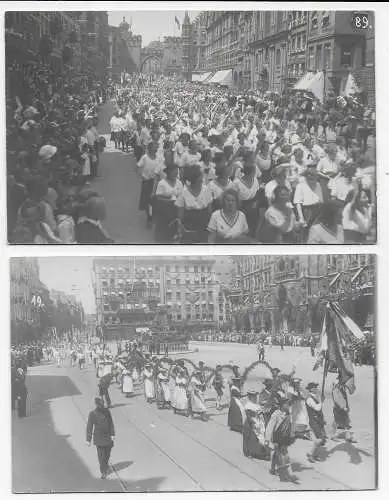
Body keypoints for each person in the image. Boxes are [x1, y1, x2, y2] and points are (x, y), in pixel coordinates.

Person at [265, 393, 297, 482]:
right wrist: (267, 440)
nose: (288, 406)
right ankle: (287, 475)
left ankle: (272, 469)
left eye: (288, 404)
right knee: (284, 455)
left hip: (284, 438)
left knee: (277, 453)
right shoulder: (276, 414)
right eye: (286, 404)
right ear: (282, 405)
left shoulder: (288, 414)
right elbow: (269, 427)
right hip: (276, 438)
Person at [175, 164, 212, 243]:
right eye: (200, 177)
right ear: (194, 178)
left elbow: (209, 210)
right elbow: (180, 213)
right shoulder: (184, 191)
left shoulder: (206, 189)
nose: (202, 179)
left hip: (203, 222)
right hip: (189, 223)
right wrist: (179, 228)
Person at [86, 396, 115, 480]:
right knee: (101, 456)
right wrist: (88, 439)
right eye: (99, 404)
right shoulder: (92, 414)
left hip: (108, 437)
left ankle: (105, 466)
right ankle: (103, 471)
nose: (101, 406)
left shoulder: (107, 411)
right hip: (99, 438)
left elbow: (111, 423)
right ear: (96, 404)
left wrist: (112, 434)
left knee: (107, 455)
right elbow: (89, 427)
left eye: (102, 404)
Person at [153, 163, 183, 242]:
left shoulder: (179, 183)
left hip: (176, 209)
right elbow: (158, 198)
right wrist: (168, 200)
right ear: (168, 173)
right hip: (165, 210)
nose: (175, 174)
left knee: (175, 230)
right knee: (165, 233)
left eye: (177, 173)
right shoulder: (161, 183)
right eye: (174, 172)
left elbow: (182, 196)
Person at [242, 390, 270, 460]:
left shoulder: (257, 405)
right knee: (252, 437)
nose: (255, 398)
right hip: (251, 423)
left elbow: (260, 413)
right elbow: (248, 416)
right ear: (250, 397)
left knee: (261, 436)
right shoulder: (248, 405)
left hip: (258, 421)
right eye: (253, 397)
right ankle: (251, 452)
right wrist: (253, 423)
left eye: (255, 396)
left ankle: (262, 452)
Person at [305, 382, 327, 462]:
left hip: (318, 420)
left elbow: (319, 410)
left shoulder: (314, 397)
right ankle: (311, 454)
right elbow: (317, 408)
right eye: (314, 387)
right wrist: (321, 401)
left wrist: (323, 419)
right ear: (311, 389)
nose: (316, 388)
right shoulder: (309, 399)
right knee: (320, 439)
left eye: (316, 387)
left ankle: (315, 454)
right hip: (314, 421)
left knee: (322, 438)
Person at [331, 375, 356, 443]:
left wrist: (347, 407)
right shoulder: (336, 389)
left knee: (345, 422)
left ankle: (348, 437)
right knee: (337, 422)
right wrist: (343, 407)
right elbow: (337, 400)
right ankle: (333, 436)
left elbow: (345, 399)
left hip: (343, 409)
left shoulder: (342, 389)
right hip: (338, 409)